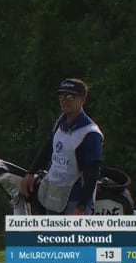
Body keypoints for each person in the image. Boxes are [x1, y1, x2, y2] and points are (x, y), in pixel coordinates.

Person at [21, 79, 103, 215]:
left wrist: (81, 207)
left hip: (74, 200)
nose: (65, 101)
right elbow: (48, 149)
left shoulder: (90, 133)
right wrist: (31, 173)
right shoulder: (61, 121)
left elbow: (92, 174)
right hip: (54, 193)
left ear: (83, 99)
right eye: (62, 96)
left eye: (71, 97)